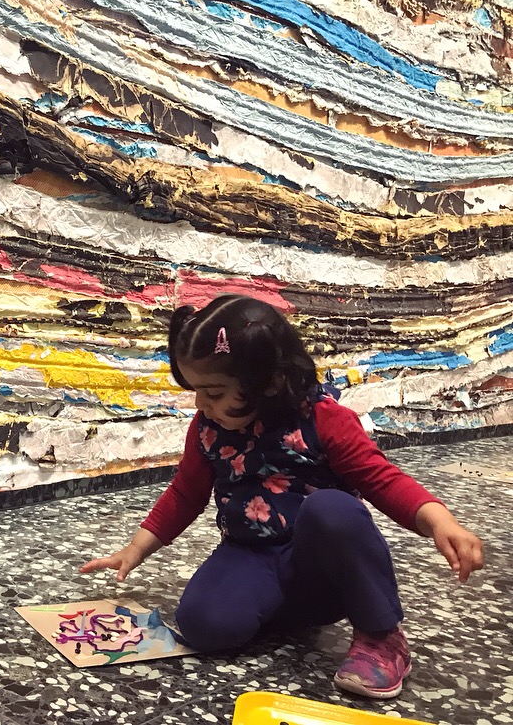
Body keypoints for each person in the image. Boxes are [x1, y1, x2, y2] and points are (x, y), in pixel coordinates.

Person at [80, 294, 484, 699]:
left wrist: (439, 520)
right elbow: (186, 493)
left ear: (270, 382)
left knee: (333, 508)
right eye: (196, 392)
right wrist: (135, 549)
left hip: (320, 564)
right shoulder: (207, 428)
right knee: (204, 624)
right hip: (251, 551)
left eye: (215, 393)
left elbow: (381, 478)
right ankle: (272, 606)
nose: (202, 404)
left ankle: (381, 636)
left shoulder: (325, 418)